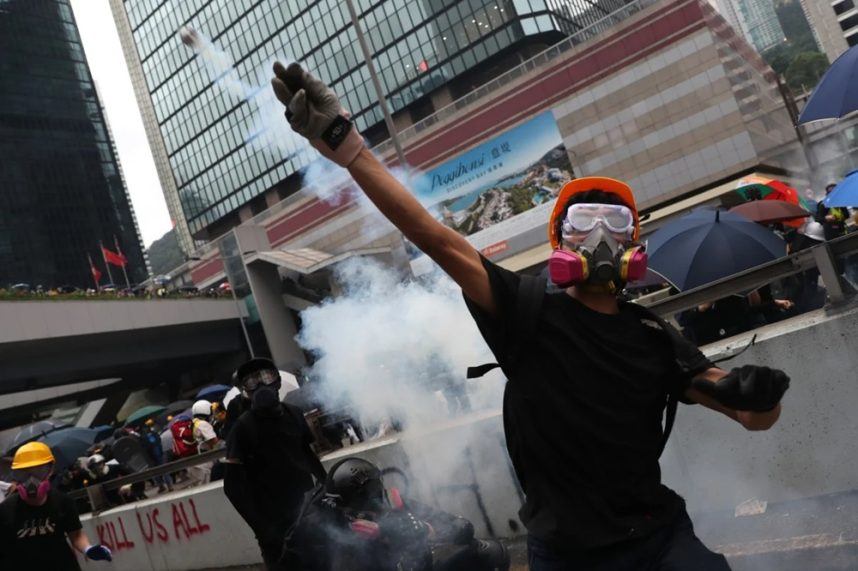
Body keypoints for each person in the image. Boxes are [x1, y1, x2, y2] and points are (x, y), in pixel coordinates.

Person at [269, 63, 790, 570]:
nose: (601, 236)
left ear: (634, 241)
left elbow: (750, 416)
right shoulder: (524, 310)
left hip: (659, 538)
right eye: (585, 222)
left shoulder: (653, 336)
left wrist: (760, 395)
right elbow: (433, 236)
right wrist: (348, 146)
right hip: (568, 554)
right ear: (560, 239)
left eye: (616, 222)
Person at [284, 457, 510, 571]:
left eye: (377, 500)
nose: (375, 509)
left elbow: (462, 528)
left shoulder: (390, 502)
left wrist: (425, 530)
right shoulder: (326, 529)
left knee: (489, 552)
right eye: (366, 508)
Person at [223, 357, 328, 570]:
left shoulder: (294, 414)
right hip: (274, 524)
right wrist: (262, 529)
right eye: (252, 382)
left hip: (308, 511)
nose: (261, 385)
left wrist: (328, 488)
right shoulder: (242, 428)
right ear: (245, 390)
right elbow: (232, 487)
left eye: (266, 377)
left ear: (278, 381)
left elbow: (308, 456)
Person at [0, 443, 112, 570]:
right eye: (23, 474)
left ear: (50, 470)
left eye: (38, 472)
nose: (31, 480)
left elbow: (76, 535)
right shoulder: (5, 510)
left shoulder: (62, 501)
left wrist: (87, 548)